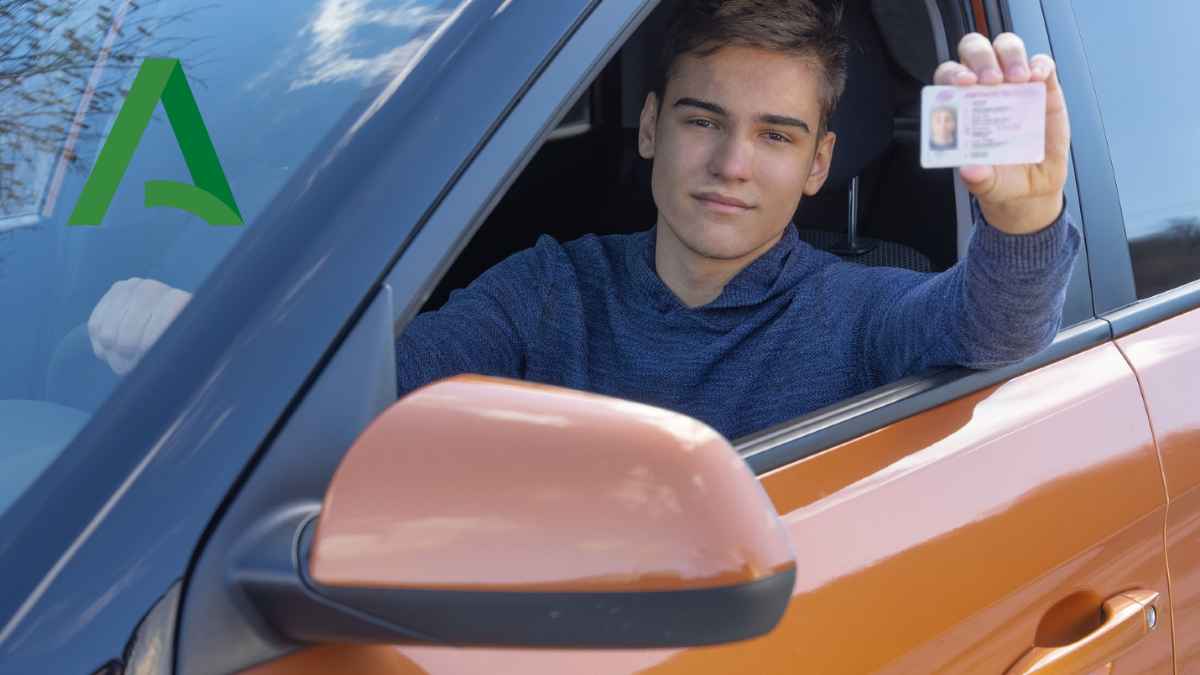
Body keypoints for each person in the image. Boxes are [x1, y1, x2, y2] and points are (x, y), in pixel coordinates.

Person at [88, 0, 1079, 440]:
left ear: (819, 163)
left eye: (776, 136)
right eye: (703, 120)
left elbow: (994, 329)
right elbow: (380, 394)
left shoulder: (866, 307)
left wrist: (1025, 225)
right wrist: (211, 350)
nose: (733, 163)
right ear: (650, 127)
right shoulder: (547, 289)